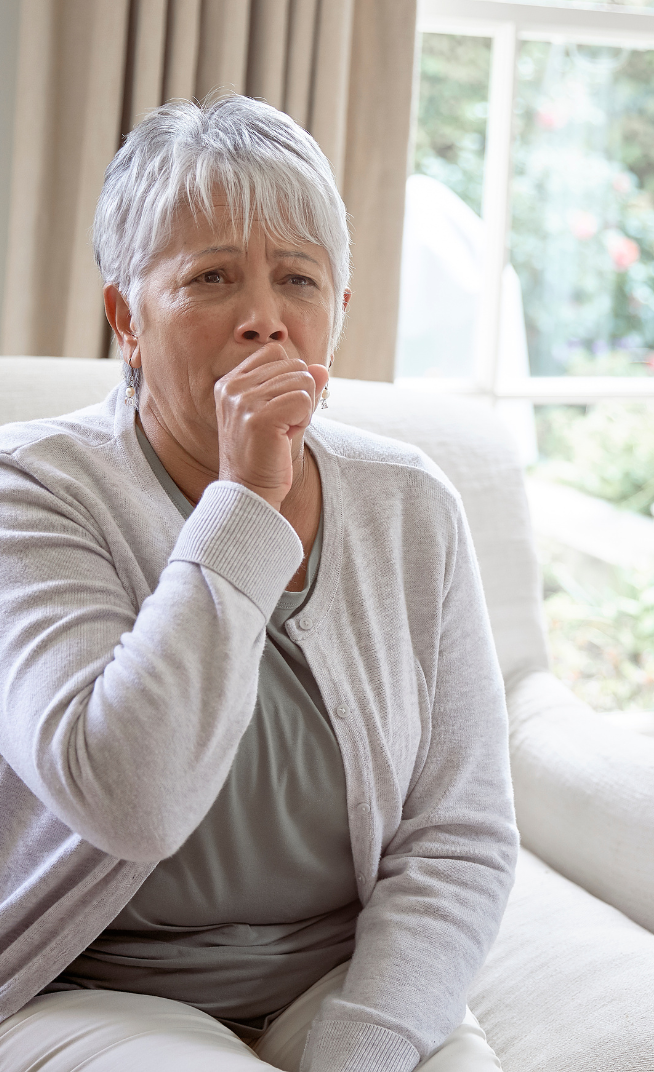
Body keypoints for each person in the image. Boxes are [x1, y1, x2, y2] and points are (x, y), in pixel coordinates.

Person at [0, 95, 517, 1072]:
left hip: (342, 973)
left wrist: (362, 1047)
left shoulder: (411, 504)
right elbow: (130, 800)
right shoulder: (28, 491)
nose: (264, 323)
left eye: (298, 281)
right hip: (90, 981)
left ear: (341, 317)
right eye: (211, 279)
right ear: (126, 318)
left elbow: (461, 834)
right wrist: (246, 500)